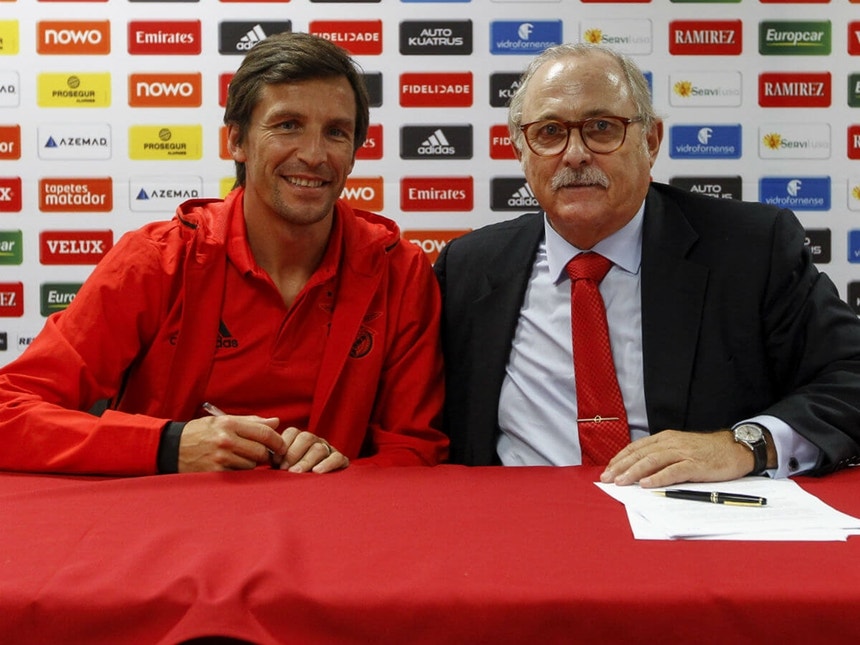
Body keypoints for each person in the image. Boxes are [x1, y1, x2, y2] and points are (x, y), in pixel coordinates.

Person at [0, 32, 448, 476]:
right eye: (287, 125)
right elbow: (9, 413)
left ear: (352, 155)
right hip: (165, 514)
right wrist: (168, 445)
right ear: (237, 141)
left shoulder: (399, 270)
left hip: (329, 516)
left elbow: (415, 451)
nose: (314, 155)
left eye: (335, 132)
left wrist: (341, 470)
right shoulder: (156, 259)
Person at [434, 42, 860, 487]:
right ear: (521, 151)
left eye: (601, 128)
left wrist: (743, 444)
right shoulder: (468, 268)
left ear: (651, 141)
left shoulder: (750, 249)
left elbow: (850, 377)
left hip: (690, 515)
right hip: (523, 515)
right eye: (550, 132)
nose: (575, 154)